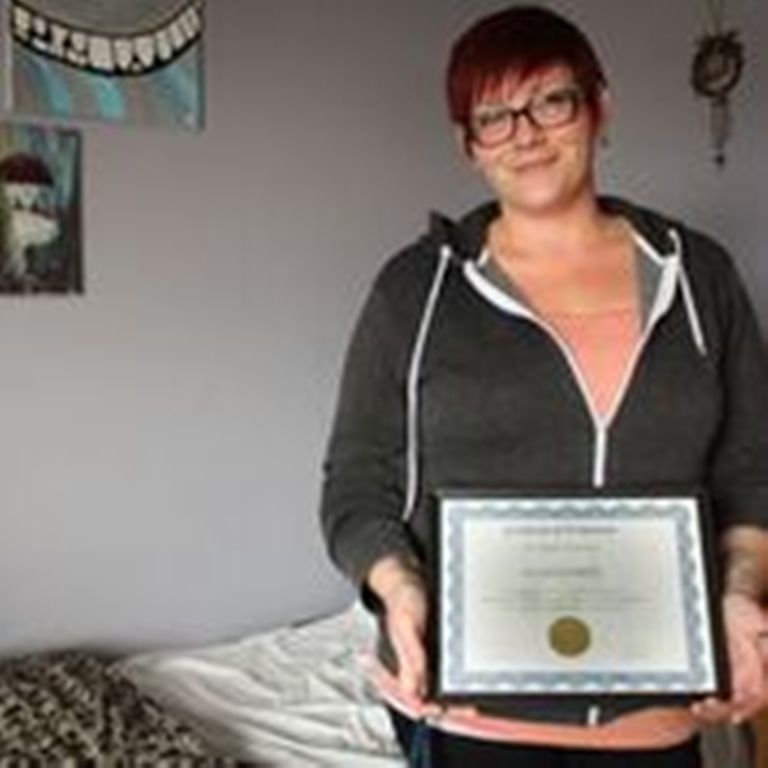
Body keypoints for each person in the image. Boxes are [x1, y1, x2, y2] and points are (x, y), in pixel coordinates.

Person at [320, 5, 768, 767]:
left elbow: (749, 471)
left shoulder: (700, 276)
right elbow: (357, 483)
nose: (524, 133)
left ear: (600, 107)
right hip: (469, 718)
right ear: (469, 145)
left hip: (657, 715)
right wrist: (398, 588)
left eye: (550, 100)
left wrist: (742, 593)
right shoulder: (414, 290)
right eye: (492, 116)